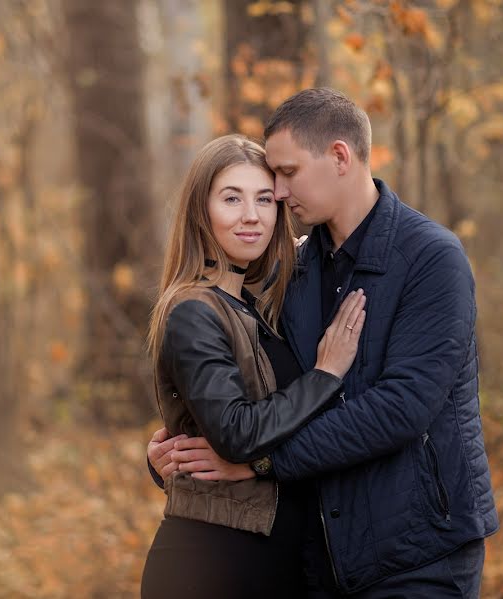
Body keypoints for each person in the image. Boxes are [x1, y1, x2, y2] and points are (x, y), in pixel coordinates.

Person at [147, 89, 499, 597]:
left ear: (339, 156)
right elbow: (250, 400)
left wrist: (257, 463)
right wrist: (177, 455)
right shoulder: (290, 271)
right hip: (320, 559)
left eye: (286, 175)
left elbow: (400, 409)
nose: (280, 193)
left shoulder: (430, 259)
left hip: (419, 555)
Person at [140, 134, 367, 599]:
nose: (252, 215)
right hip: (210, 564)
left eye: (264, 199)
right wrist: (325, 374)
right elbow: (236, 434)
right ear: (201, 213)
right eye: (231, 198)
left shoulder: (255, 307)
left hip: (269, 561)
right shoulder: (194, 311)